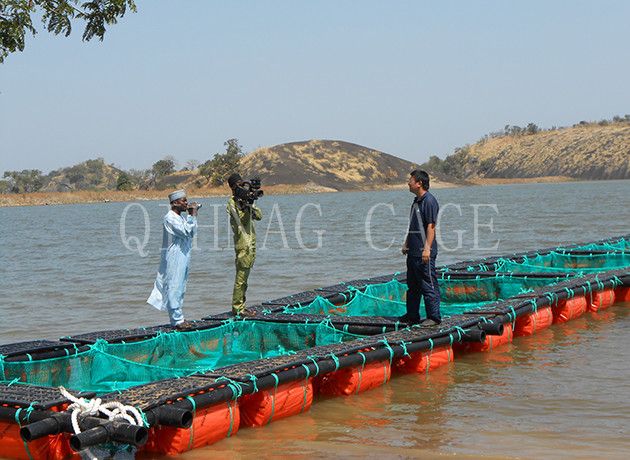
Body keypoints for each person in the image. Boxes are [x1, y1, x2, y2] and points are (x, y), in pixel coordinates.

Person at [147, 189, 199, 329]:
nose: (186, 203)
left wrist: (191, 216)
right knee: (174, 287)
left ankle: (179, 317)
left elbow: (192, 232)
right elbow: (186, 231)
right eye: (183, 201)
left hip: (183, 257)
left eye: (186, 200)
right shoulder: (169, 218)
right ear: (174, 203)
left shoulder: (181, 218)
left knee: (181, 287)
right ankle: (177, 321)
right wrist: (192, 214)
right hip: (174, 258)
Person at [401, 170, 441, 326]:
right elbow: (414, 225)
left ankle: (434, 317)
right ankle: (412, 315)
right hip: (413, 251)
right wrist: (406, 243)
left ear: (419, 183)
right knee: (412, 286)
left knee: (428, 283)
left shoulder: (429, 201)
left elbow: (431, 227)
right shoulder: (416, 201)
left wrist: (427, 249)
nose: (408, 182)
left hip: (424, 252)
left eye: (411, 180)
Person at [227, 173, 262, 316]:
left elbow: (259, 216)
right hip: (243, 246)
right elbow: (239, 219)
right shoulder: (231, 203)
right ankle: (237, 308)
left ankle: (242, 306)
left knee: (245, 280)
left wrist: (250, 203)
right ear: (233, 187)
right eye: (239, 185)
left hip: (251, 245)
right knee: (240, 279)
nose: (242, 188)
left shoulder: (246, 201)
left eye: (243, 184)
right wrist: (243, 204)